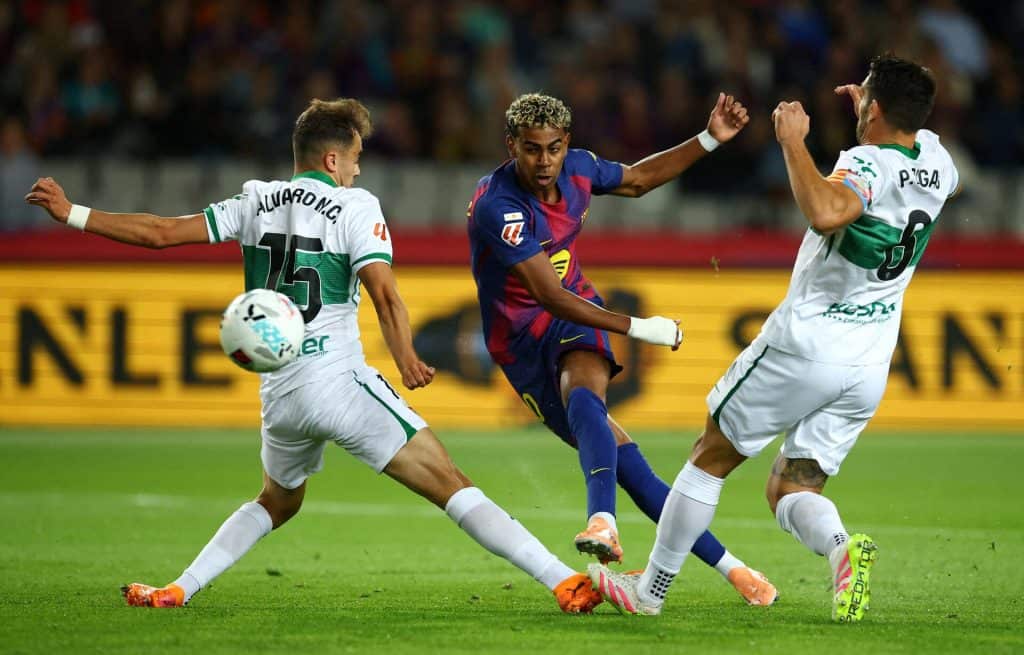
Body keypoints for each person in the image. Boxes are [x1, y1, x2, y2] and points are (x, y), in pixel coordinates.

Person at [25, 98, 604, 614]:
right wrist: (404, 355)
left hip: (279, 392)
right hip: (339, 382)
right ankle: (561, 580)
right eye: (354, 157)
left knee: (277, 500)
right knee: (452, 482)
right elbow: (384, 291)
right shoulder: (354, 204)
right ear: (332, 160)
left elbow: (157, 232)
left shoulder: (253, 200)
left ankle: (180, 587)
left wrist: (74, 213)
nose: (358, 168)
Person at [589, 54, 960, 622]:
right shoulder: (939, 161)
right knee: (791, 490)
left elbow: (825, 210)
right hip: (869, 360)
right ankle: (842, 551)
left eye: (865, 96)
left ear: (876, 108)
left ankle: (650, 592)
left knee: (708, 457)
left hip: (808, 344)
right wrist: (872, 105)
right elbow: (904, 145)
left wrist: (794, 141)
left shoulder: (867, 165)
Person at [466, 92, 778, 606]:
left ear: (566, 144)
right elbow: (546, 295)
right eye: (530, 149)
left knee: (584, 393)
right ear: (511, 147)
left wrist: (709, 138)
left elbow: (637, 179)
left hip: (576, 312)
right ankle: (736, 570)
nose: (543, 162)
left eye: (552, 148)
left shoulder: (581, 169)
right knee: (631, 467)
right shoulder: (498, 205)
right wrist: (638, 327)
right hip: (520, 342)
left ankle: (602, 522)